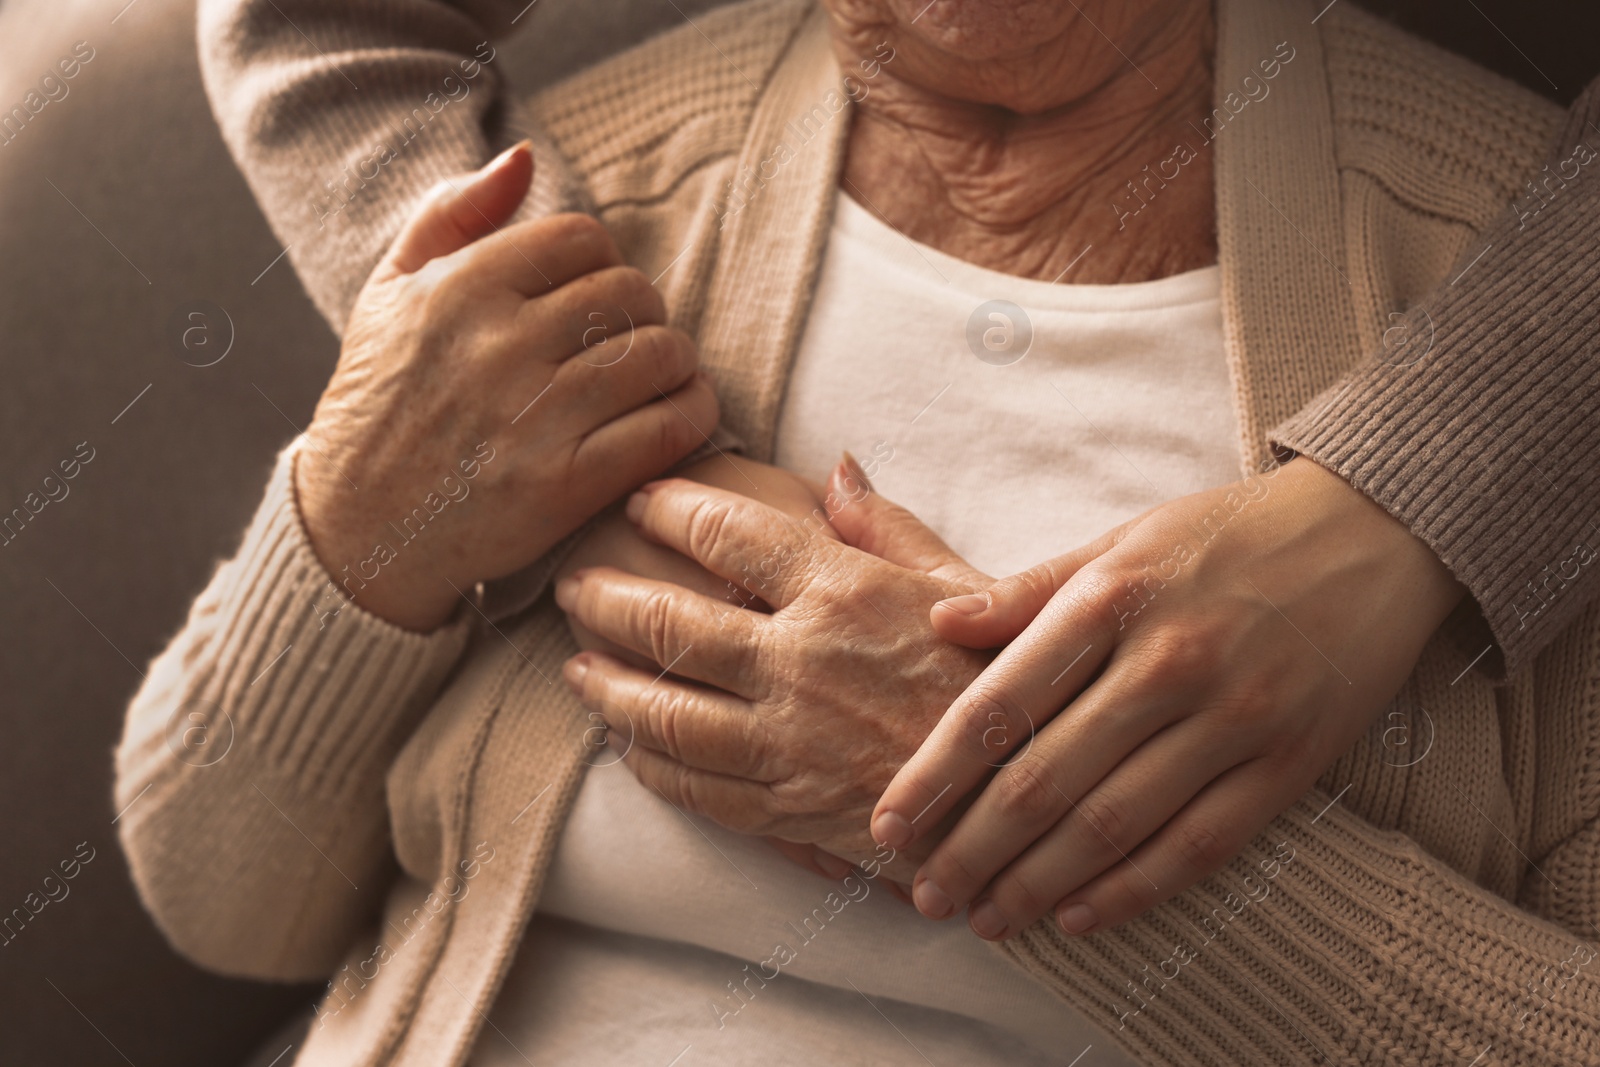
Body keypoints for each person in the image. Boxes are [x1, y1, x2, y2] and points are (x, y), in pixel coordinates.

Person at [116, 0, 1600, 1063]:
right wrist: (358, 536)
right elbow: (221, 898)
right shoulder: (593, 196)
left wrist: (970, 793)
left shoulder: (1514, 325)